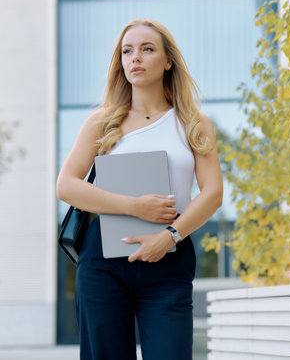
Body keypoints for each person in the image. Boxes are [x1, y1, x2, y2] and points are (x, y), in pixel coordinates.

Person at [56, 18, 223, 360]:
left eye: (148, 49)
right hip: (102, 263)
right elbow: (67, 186)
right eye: (127, 51)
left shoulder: (193, 123)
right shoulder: (102, 122)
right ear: (120, 62)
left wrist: (170, 236)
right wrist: (134, 207)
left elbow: (212, 193)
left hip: (168, 260)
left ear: (167, 61)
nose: (136, 57)